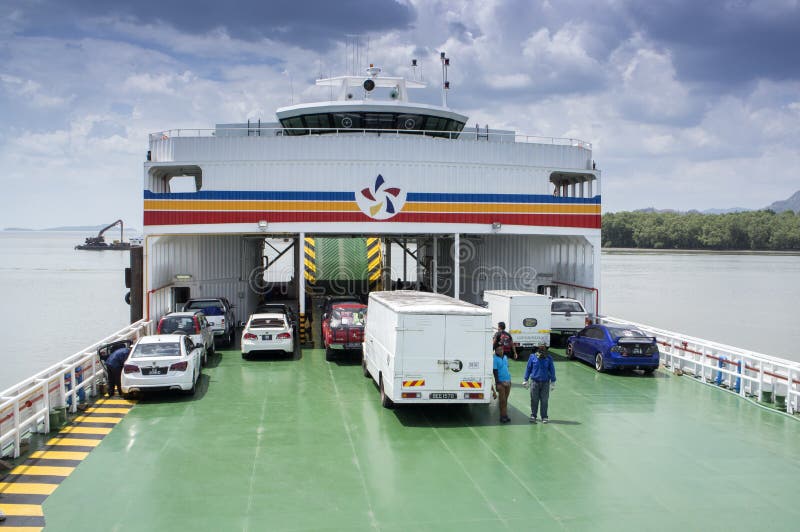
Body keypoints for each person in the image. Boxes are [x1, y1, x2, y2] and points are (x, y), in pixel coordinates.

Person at [522, 343, 557, 424]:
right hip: (534, 382)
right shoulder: (532, 357)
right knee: (534, 400)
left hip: (545, 383)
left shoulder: (549, 358)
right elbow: (528, 368)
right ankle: (533, 415)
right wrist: (525, 379)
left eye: (543, 347)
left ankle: (544, 416)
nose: (541, 348)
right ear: (537, 348)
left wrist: (553, 381)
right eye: (540, 347)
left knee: (544, 400)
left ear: (545, 348)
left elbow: (552, 370)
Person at [491, 343, 512, 423]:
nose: (500, 351)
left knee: (506, 400)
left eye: (501, 349)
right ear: (495, 351)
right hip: (501, 382)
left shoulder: (505, 357)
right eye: (498, 350)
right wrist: (498, 383)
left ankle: (505, 415)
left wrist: (509, 380)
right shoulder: (495, 359)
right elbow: (495, 371)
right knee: (502, 400)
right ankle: (502, 416)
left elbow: (506, 368)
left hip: (508, 381)